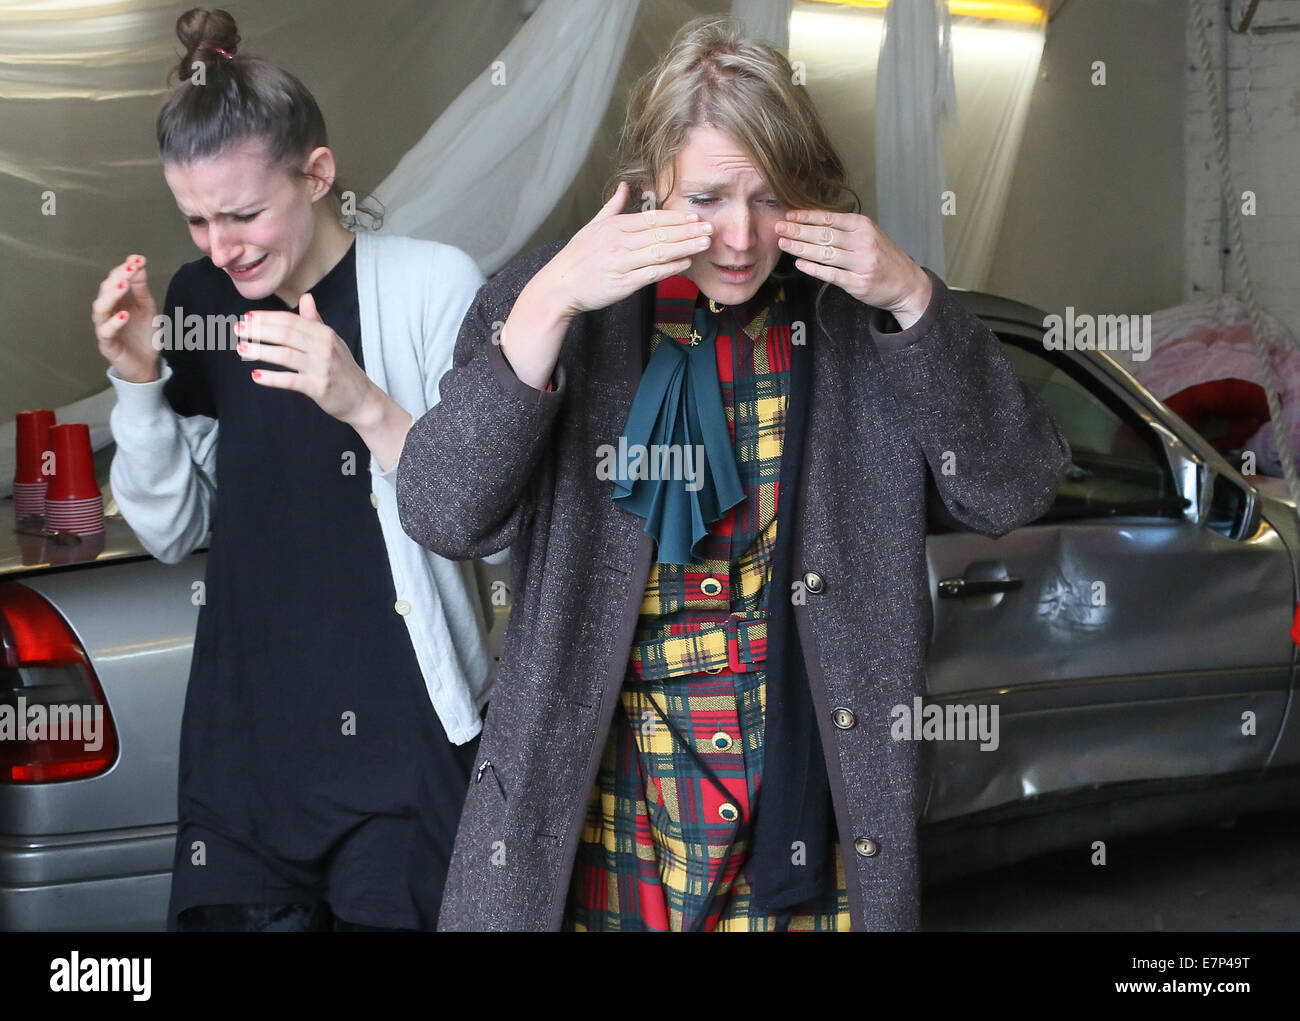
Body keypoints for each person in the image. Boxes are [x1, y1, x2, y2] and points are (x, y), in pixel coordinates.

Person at [396, 17, 1073, 931]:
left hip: (807, 803)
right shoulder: (558, 303)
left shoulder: (855, 317)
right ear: (648, 185)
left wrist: (917, 299)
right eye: (707, 198)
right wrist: (547, 303)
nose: (740, 237)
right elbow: (442, 510)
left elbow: (1011, 488)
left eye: (769, 198)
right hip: (606, 802)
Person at [90, 7, 496, 932]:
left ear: (318, 175)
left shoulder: (434, 284)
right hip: (246, 744)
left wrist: (363, 401)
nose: (219, 246)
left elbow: (477, 511)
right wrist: (136, 378)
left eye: (242, 213)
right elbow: (172, 530)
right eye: (194, 217)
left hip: (400, 742)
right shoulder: (201, 298)